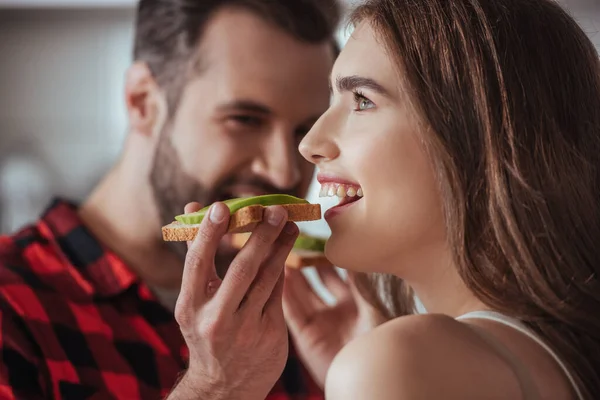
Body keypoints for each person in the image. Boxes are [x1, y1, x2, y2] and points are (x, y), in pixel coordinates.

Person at [173, 0, 600, 398]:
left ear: (477, 137)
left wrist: (214, 386)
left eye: (362, 100)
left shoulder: (398, 364)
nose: (311, 145)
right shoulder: (556, 356)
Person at [0, 1, 378, 399]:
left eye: (304, 129)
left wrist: (362, 385)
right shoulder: (12, 306)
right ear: (142, 101)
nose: (283, 173)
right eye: (245, 119)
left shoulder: (303, 331)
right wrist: (214, 388)